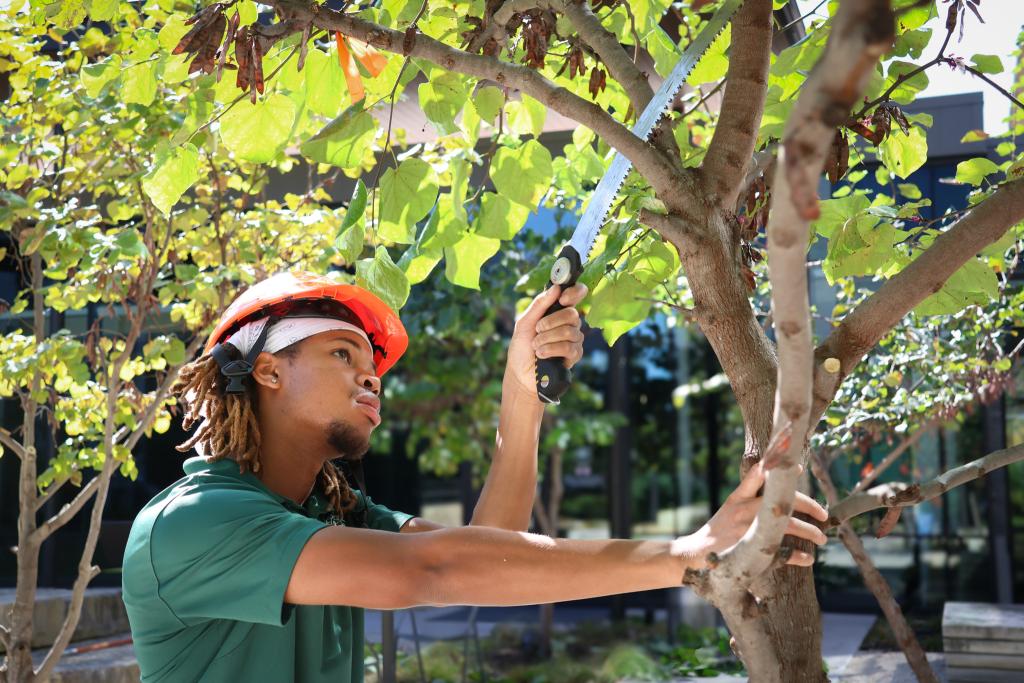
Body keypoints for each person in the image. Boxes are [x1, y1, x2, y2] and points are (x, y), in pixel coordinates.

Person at [122, 270, 828, 682]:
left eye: (372, 364)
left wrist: (522, 389)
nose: (371, 376)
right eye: (343, 354)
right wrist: (689, 553)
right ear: (268, 370)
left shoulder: (326, 514)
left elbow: (489, 552)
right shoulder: (192, 523)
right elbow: (433, 569)